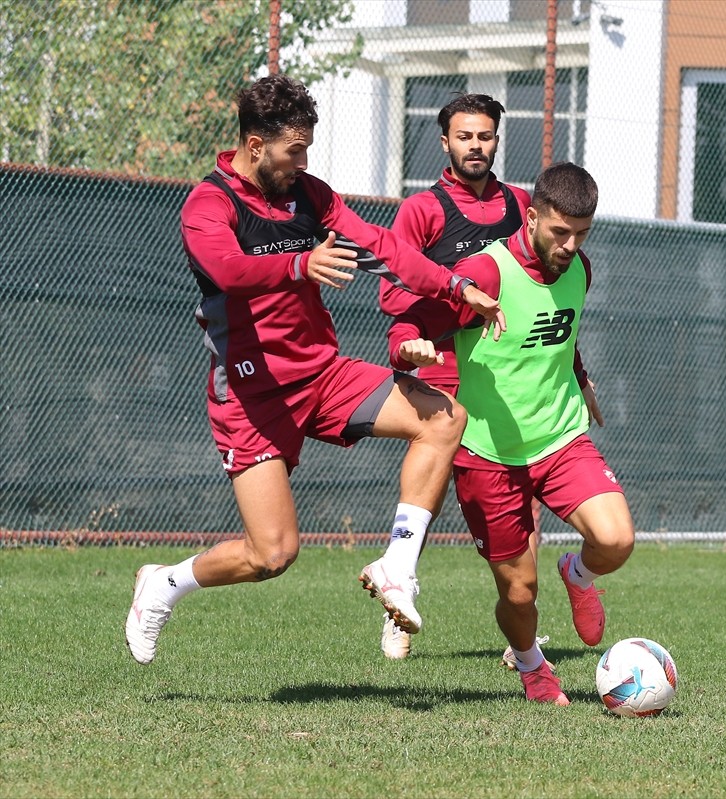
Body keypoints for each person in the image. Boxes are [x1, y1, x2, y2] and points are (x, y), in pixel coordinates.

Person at [124, 74, 504, 665]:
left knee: (442, 418)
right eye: (293, 149)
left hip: (321, 375)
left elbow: (384, 248)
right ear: (256, 146)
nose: (303, 160)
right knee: (271, 555)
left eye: (307, 148)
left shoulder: (310, 193)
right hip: (251, 395)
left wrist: (457, 286)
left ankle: (397, 567)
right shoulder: (209, 204)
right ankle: (164, 584)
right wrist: (301, 264)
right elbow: (226, 270)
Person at [390, 162, 635, 705]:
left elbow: (557, 329)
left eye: (582, 234)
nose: (571, 245)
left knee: (615, 540)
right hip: (488, 454)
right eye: (560, 232)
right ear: (531, 218)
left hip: (560, 436)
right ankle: (532, 667)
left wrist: (580, 376)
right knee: (520, 592)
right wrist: (408, 344)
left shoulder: (581, 271)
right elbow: (414, 316)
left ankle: (578, 572)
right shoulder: (487, 271)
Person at [376, 92, 542, 663]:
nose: (477, 145)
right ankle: (400, 592)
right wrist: (414, 339)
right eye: (465, 136)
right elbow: (392, 291)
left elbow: (546, 287)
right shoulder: (422, 209)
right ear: (445, 142)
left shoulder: (523, 205)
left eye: (486, 136)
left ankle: (524, 621)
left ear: (498, 139)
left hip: (503, 367)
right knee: (434, 486)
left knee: (522, 484)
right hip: (441, 361)